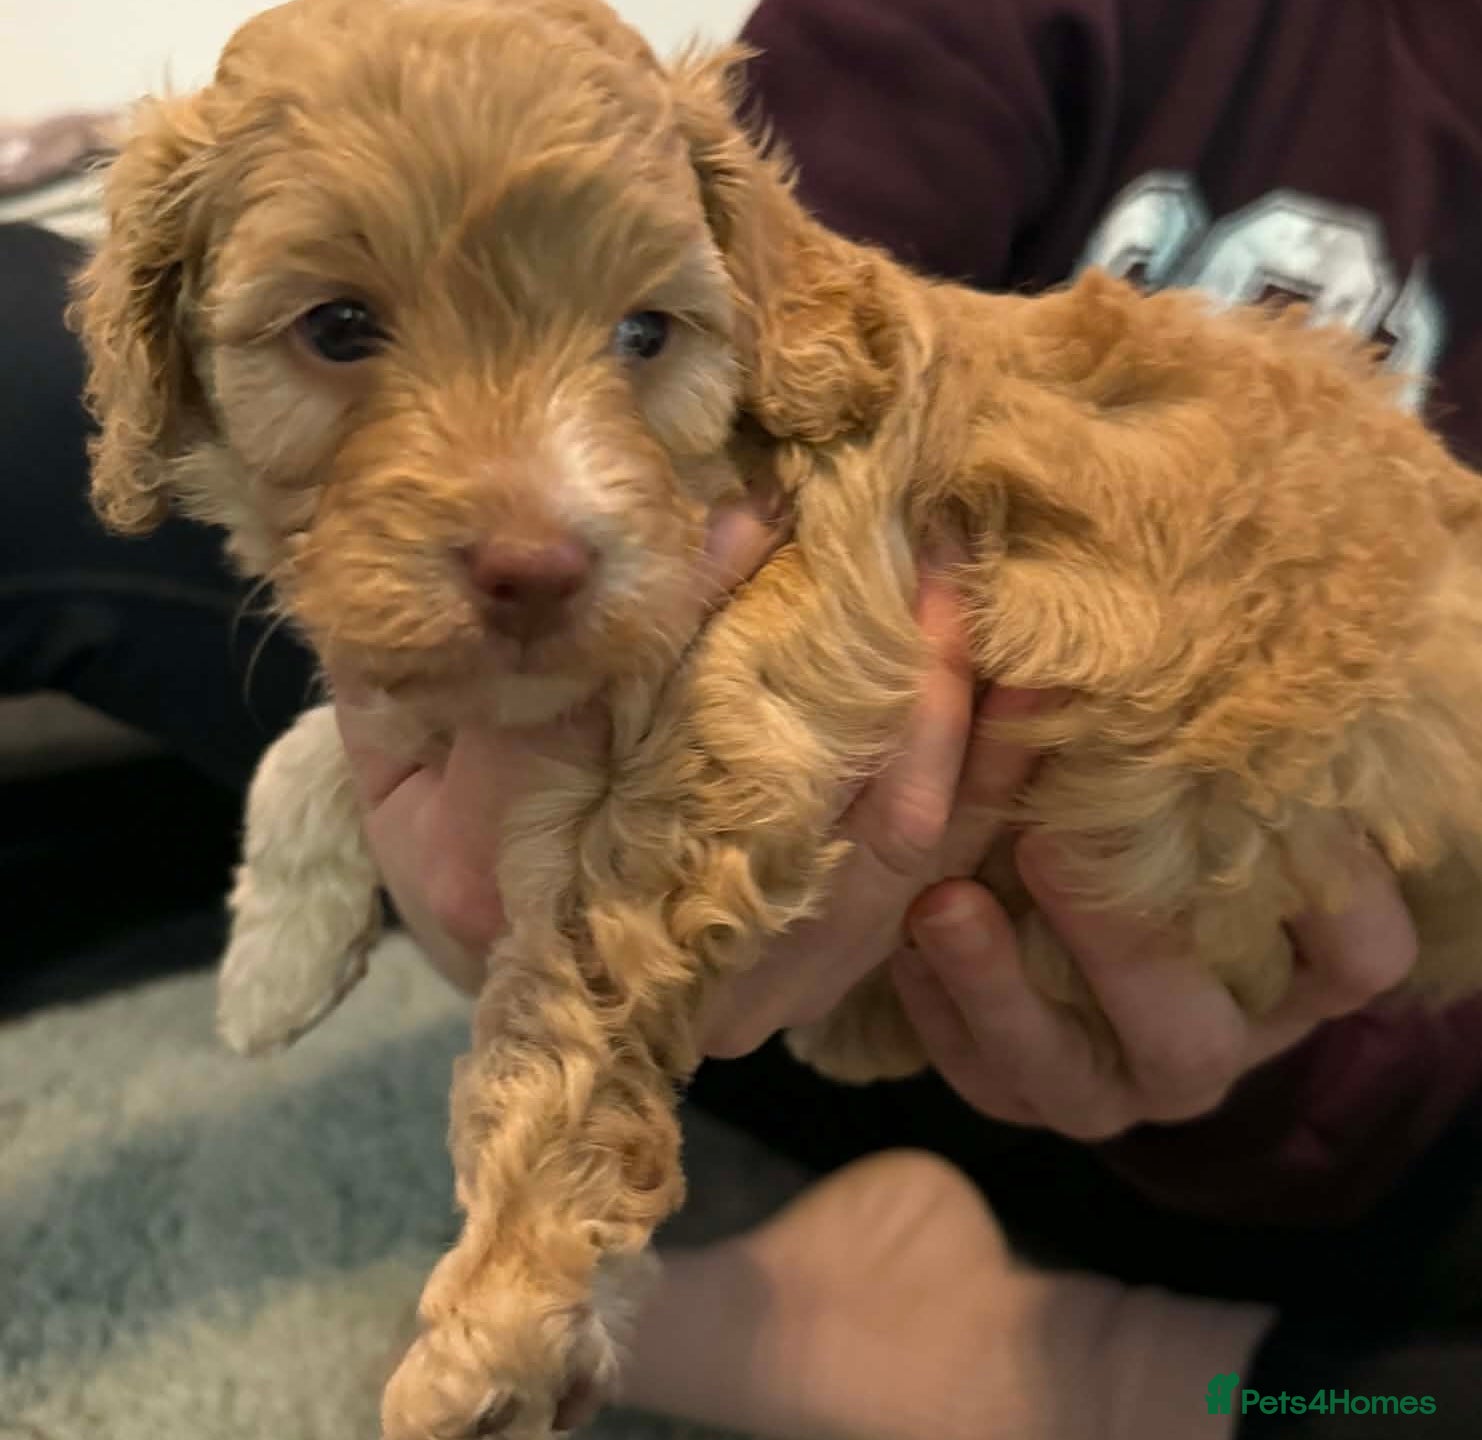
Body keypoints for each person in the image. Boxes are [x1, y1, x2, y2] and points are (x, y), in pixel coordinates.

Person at [5, 0, 1481, 1433]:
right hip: (812, 955)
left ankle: (1067, 1369)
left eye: (637, 338)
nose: (534, 512)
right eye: (341, 328)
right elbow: (736, 408)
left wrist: (1316, 1074)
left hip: (1317, 1076)